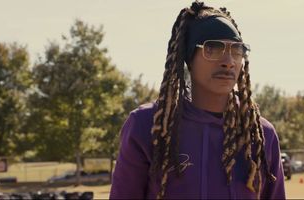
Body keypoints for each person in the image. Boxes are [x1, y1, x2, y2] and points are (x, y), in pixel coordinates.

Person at [110, 1, 286, 199]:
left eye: (237, 50)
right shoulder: (147, 126)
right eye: (213, 48)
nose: (228, 62)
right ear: (188, 57)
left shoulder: (261, 135)